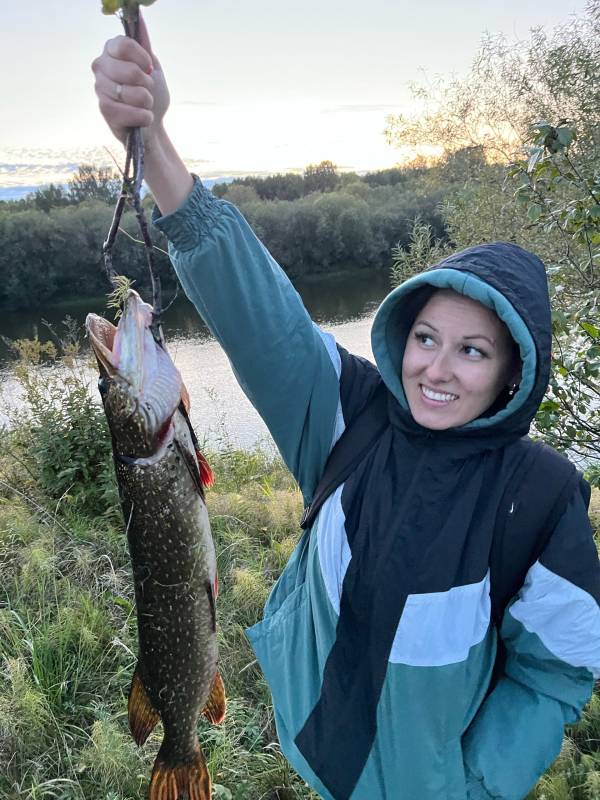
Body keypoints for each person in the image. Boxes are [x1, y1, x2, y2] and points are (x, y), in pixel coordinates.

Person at [92, 19, 600, 800]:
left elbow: (557, 671)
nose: (436, 368)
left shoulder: (540, 493)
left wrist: (475, 784)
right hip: (319, 758)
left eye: (473, 350)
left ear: (511, 375)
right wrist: (153, 137)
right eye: (426, 336)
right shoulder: (351, 417)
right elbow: (261, 315)